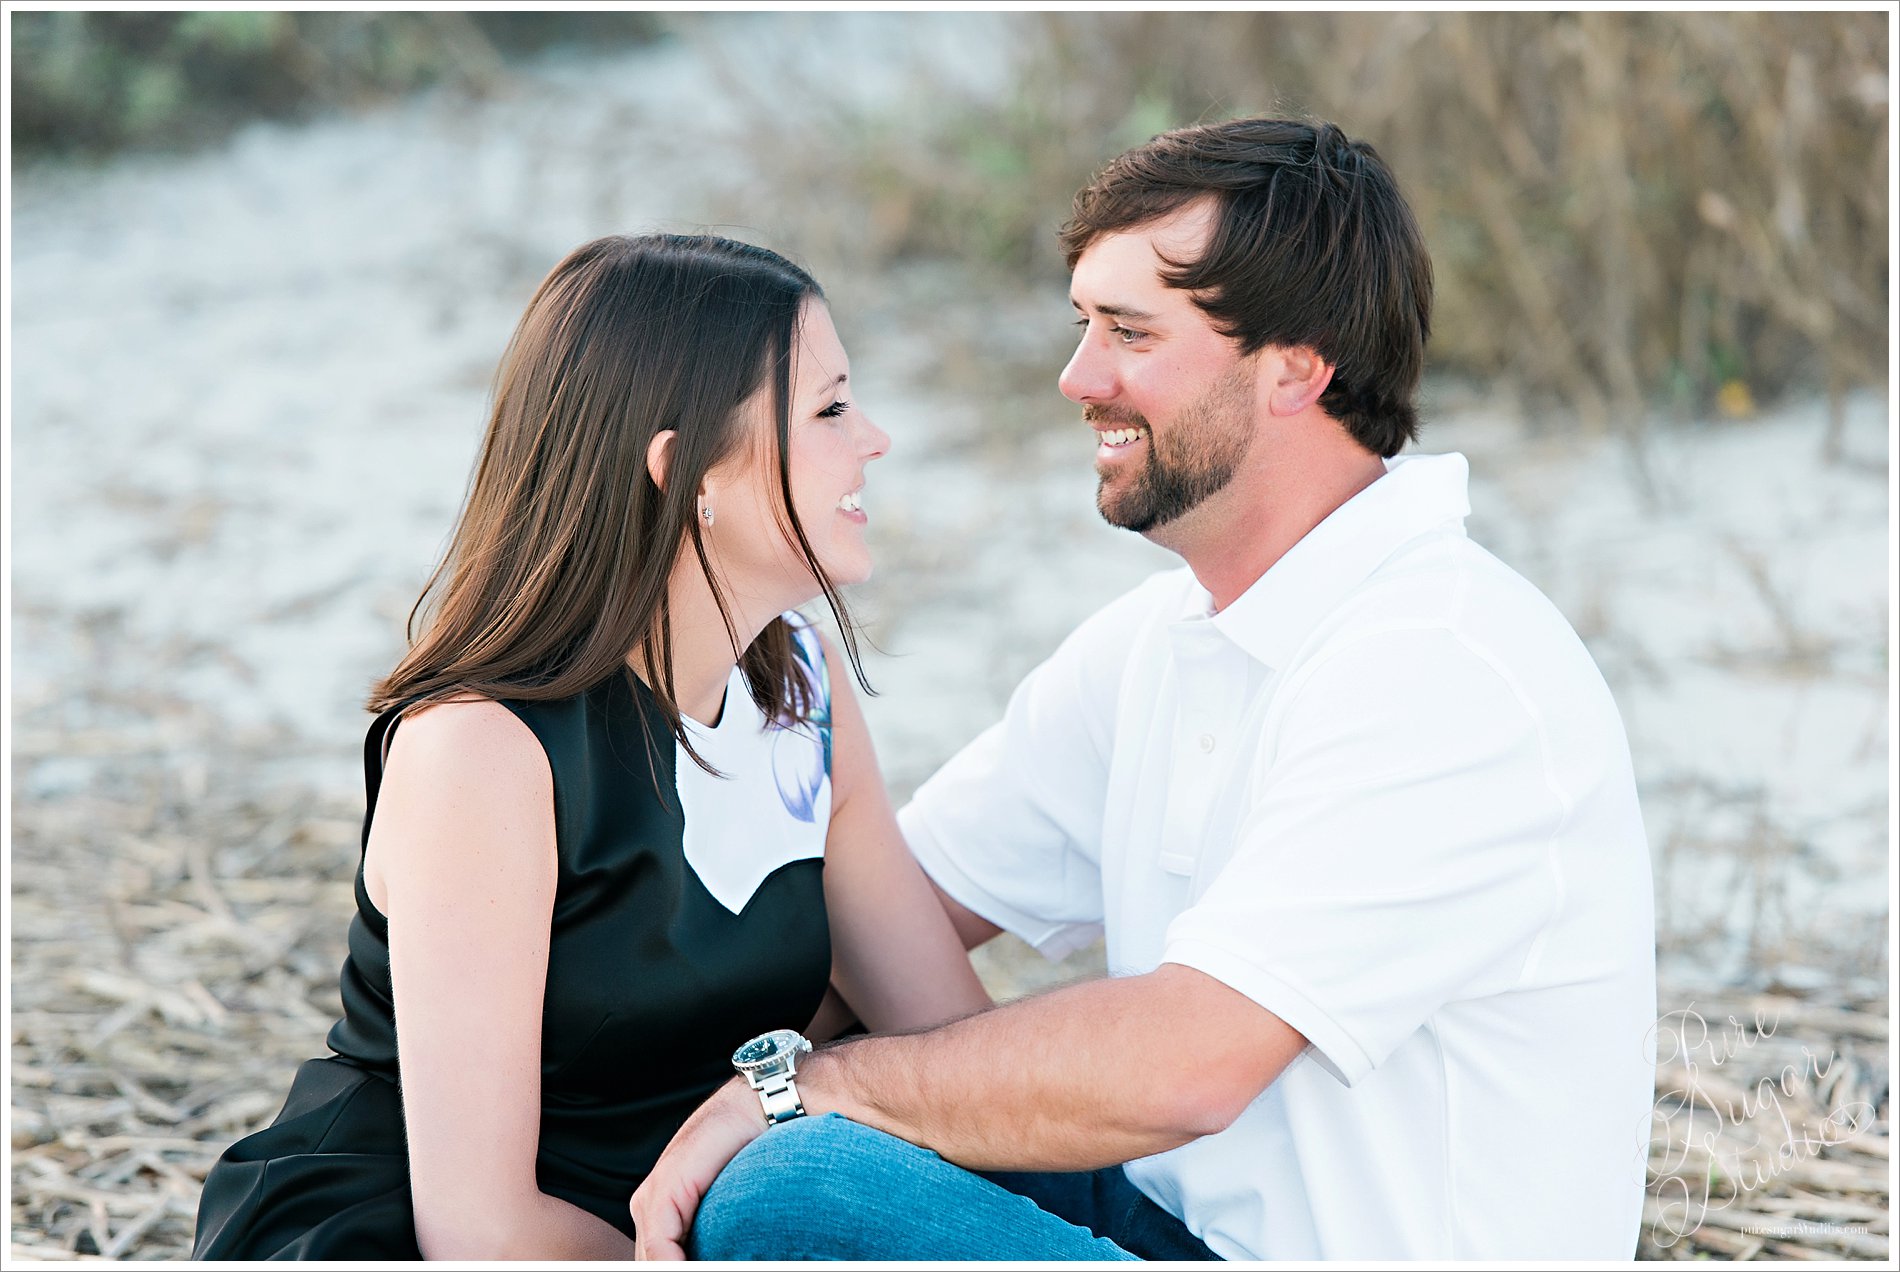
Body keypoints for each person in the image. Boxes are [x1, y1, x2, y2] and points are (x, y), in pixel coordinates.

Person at [632, 118, 1657, 1261]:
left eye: (1130, 333)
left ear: (1296, 367)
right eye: (1084, 325)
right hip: (1165, 1227)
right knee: (786, 1163)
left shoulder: (1442, 668)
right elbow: (874, 922)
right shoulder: (1161, 642)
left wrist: (797, 1094)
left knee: (795, 1190)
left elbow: (1190, 1063)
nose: (1078, 378)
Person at [191, 233, 991, 1258]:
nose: (872, 438)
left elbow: (945, 1038)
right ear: (684, 473)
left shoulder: (800, 683)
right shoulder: (482, 753)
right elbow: (481, 1231)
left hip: (722, 1216)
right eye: (829, 409)